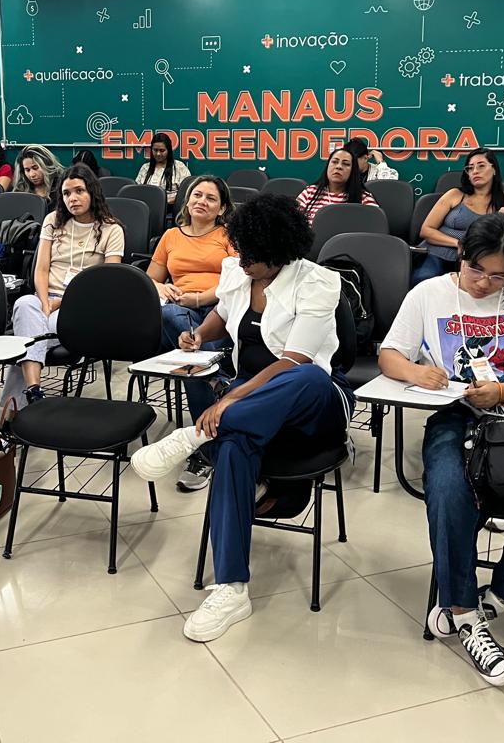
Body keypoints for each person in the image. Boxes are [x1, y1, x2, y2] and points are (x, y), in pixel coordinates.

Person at [130, 194, 354, 642]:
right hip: (250, 411)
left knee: (307, 376)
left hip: (312, 403)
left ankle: (194, 437)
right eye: (243, 252)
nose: (245, 262)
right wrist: (198, 335)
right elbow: (221, 313)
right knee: (233, 448)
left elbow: (294, 359)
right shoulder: (238, 271)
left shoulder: (318, 282)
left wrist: (230, 401)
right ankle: (231, 588)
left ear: (281, 252)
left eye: (255, 256)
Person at [378, 213, 504, 687]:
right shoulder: (428, 294)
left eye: (499, 276)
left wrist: (503, 392)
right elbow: (390, 355)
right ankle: (464, 612)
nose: (484, 283)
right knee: (449, 489)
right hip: (459, 415)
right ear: (461, 255)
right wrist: (417, 372)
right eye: (476, 269)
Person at [2, 164, 124, 407]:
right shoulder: (53, 220)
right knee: (24, 304)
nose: (72, 198)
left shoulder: (112, 229)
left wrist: (59, 303)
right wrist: (44, 301)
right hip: (45, 299)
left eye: (79, 191)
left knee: (25, 337)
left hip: (81, 305)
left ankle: (16, 407)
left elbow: (107, 281)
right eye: (66, 193)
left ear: (92, 192)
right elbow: (41, 269)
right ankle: (34, 391)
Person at [146, 175, 236, 491]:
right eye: (197, 195)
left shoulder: (228, 236)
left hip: (219, 311)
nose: (202, 201)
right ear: (187, 200)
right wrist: (163, 288)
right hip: (177, 314)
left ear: (222, 208)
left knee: (190, 361)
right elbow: (151, 279)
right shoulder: (171, 236)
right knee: (170, 315)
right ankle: (214, 381)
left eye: (211, 198)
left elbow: (236, 282)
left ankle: (203, 448)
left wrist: (197, 299)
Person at [414, 147, 504, 285]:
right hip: (436, 253)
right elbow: (426, 230)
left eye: (481, 166)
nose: (475, 171)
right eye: (470, 168)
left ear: (494, 170)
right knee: (426, 280)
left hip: (476, 259)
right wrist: (458, 244)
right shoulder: (455, 194)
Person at [295, 146, 378, 225]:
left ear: (353, 171)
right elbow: (292, 223)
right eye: (334, 162)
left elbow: (376, 225)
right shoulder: (310, 192)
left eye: (346, 164)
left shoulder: (363, 198)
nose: (339, 167)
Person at [135, 130, 191, 207]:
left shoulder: (179, 167)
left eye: (162, 150)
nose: (158, 154)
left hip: (171, 208)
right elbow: (137, 190)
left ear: (169, 151)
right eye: (155, 150)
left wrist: (163, 201)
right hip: (146, 207)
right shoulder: (145, 168)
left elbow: (187, 192)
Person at [13, 144, 64, 210]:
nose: (32, 174)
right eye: (27, 170)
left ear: (47, 165)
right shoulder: (20, 191)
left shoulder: (62, 186)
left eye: (35, 168)